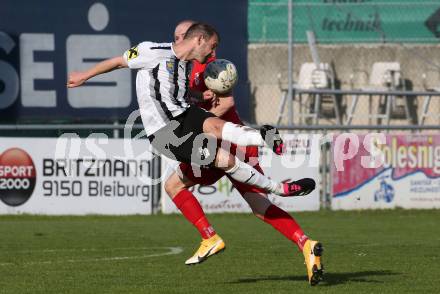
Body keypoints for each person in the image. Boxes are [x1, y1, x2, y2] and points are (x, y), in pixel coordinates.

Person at [67, 22, 315, 199]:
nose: (213, 53)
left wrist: (199, 95)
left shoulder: (186, 66)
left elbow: (176, 93)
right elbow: (118, 61)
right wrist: (84, 76)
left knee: (221, 128)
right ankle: (279, 189)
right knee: (225, 159)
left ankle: (264, 136)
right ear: (199, 40)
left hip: (185, 113)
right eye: (212, 46)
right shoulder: (150, 51)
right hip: (165, 132)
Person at [162, 20, 323, 286]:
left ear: (194, 38)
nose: (177, 41)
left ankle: (209, 236)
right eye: (175, 36)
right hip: (234, 142)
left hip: (220, 142)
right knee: (260, 207)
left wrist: (196, 119)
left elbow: (227, 101)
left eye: (180, 36)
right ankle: (306, 244)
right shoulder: (182, 69)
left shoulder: (205, 65)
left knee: (173, 185)